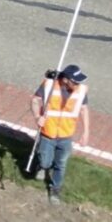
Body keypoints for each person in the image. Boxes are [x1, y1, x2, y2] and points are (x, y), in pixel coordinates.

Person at [30, 64, 89, 201]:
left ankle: (55, 188)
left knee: (61, 164)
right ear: (66, 79)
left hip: (66, 135)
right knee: (46, 162)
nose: (78, 84)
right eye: (75, 81)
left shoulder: (80, 91)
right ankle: (42, 166)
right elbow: (35, 100)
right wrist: (37, 117)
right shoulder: (49, 86)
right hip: (48, 133)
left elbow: (84, 110)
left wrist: (86, 132)